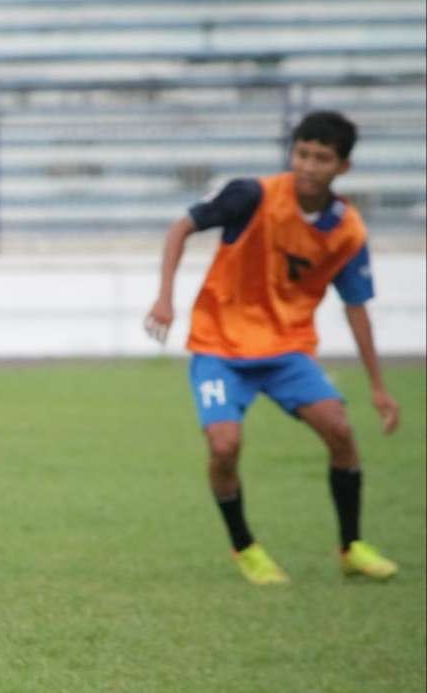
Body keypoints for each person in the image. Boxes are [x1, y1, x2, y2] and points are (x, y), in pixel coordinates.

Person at [144, 110, 401, 585]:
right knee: (224, 446)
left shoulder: (348, 232)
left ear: (342, 167)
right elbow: (181, 227)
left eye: (321, 158)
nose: (307, 166)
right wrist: (165, 298)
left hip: (287, 351)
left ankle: (353, 546)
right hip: (220, 346)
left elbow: (357, 306)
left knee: (340, 431)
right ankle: (245, 548)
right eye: (302, 153)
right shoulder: (251, 195)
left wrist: (379, 387)